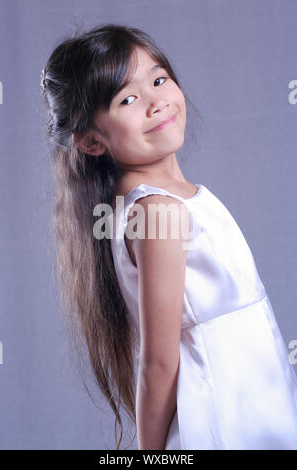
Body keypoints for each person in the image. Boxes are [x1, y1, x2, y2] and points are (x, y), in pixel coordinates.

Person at [40, 23, 297, 450]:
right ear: (90, 141)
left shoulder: (178, 201)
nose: (157, 102)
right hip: (224, 424)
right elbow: (158, 363)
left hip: (262, 411)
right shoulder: (157, 211)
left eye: (158, 80)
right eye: (127, 99)